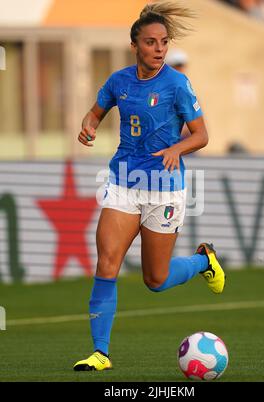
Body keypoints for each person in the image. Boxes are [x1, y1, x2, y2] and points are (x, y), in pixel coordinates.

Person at [73, 1, 226, 372]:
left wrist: (177, 147)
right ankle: (101, 353)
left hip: (164, 188)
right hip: (124, 182)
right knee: (107, 263)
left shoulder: (176, 83)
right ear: (135, 46)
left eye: (163, 42)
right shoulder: (118, 82)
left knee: (155, 280)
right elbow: (95, 112)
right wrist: (89, 126)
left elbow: (202, 134)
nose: (159, 49)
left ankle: (202, 260)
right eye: (151, 42)